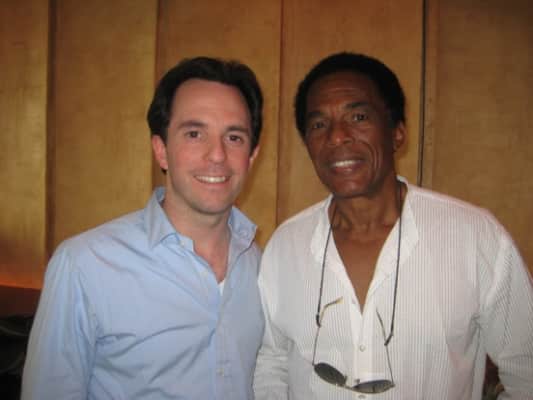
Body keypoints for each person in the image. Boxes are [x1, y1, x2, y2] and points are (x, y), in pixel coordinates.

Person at [253, 52, 533, 399]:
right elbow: (272, 362)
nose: (337, 137)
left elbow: (526, 366)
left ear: (397, 133)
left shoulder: (473, 236)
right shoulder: (286, 245)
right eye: (319, 124)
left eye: (358, 117)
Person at [22, 56, 265, 399]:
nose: (217, 155)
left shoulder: (261, 267)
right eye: (194, 134)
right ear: (161, 151)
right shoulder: (84, 266)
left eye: (234, 137)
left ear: (251, 157)